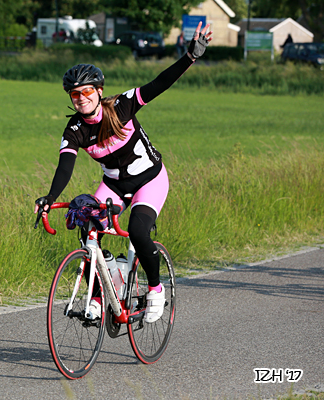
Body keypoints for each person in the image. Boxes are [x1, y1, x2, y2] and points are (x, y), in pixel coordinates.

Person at [34, 22, 212, 323]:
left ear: (98, 91)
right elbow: (65, 165)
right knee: (88, 225)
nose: (81, 98)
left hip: (150, 180)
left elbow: (159, 83)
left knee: (139, 231)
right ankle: (100, 294)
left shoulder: (121, 106)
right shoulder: (75, 129)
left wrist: (189, 57)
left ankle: (156, 290)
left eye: (87, 91)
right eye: (74, 94)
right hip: (114, 185)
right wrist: (50, 197)